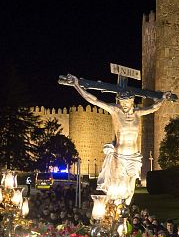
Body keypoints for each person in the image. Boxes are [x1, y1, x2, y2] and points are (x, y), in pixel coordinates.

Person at [62, 73, 172, 206]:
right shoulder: (115, 111)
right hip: (119, 155)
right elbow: (94, 100)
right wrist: (77, 85)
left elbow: (154, 107)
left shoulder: (138, 113)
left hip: (134, 156)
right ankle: (116, 209)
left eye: (127, 103)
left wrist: (163, 98)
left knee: (130, 188)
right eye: (122, 103)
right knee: (117, 185)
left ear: (132, 101)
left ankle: (124, 210)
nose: (124, 105)